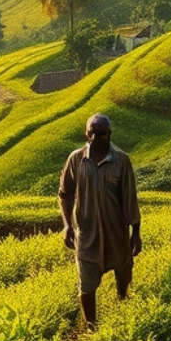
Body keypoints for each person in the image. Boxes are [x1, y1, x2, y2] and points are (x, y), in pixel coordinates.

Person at [58, 113, 141, 329]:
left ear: (109, 134)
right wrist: (67, 225)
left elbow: (129, 198)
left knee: (123, 270)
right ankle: (92, 325)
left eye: (101, 134)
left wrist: (136, 233)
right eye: (92, 134)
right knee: (86, 284)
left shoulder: (121, 161)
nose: (96, 138)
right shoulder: (76, 160)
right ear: (87, 134)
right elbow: (65, 194)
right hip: (86, 233)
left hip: (116, 231)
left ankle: (122, 299)